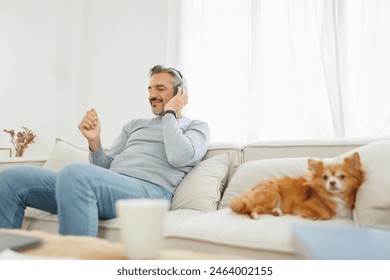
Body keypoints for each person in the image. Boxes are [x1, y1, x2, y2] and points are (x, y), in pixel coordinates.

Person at [0, 65, 210, 236]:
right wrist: (95, 142)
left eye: (160, 89)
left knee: (75, 173)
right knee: (12, 179)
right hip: (112, 185)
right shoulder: (135, 124)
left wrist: (170, 113)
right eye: (150, 89)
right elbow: (106, 169)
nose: (152, 95)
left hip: (151, 192)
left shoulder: (196, 127)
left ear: (180, 93)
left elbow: (178, 156)